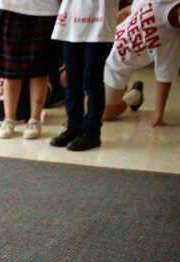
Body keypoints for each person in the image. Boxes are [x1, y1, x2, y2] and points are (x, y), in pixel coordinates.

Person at [103, 0, 180, 127]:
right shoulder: (160, 2)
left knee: (105, 114)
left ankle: (134, 95)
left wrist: (158, 115)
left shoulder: (177, 41)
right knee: (69, 77)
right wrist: (101, 32)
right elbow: (127, 10)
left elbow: (164, 77)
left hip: (117, 71)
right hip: (101, 48)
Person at [0, 0, 62, 139]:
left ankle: (35, 120)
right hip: (12, 8)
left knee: (40, 70)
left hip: (46, 10)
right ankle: (9, 119)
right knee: (10, 71)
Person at [48, 0, 120, 151]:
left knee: (91, 80)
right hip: (71, 23)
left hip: (99, 24)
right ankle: (73, 127)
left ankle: (92, 131)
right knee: (72, 80)